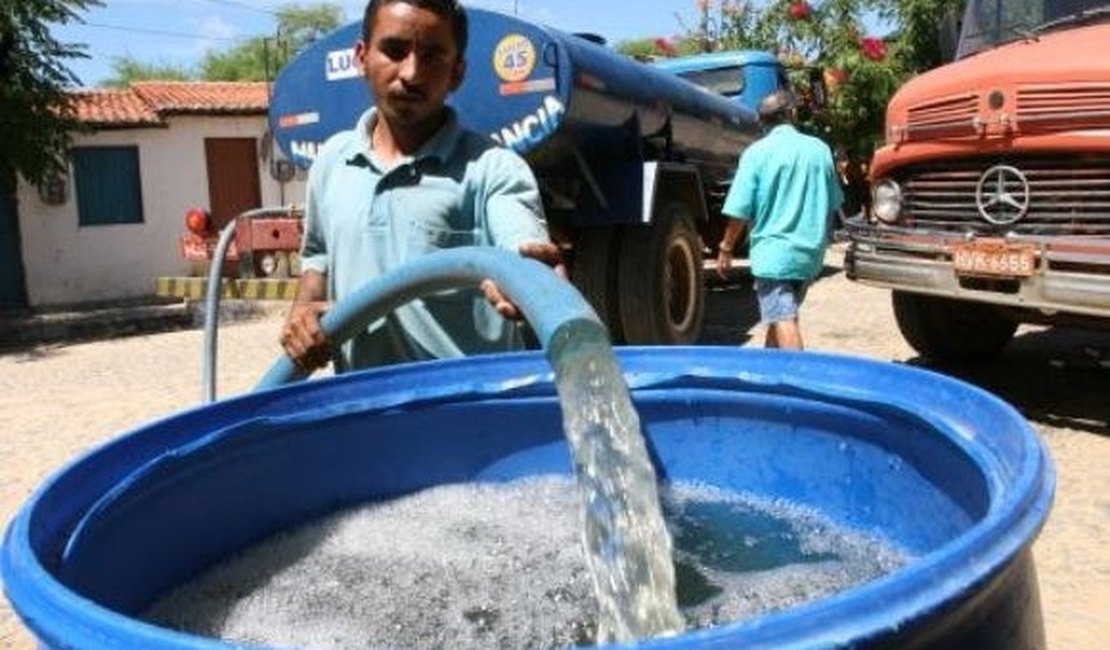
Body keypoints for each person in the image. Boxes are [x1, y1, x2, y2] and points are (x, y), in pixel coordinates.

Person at [280, 0, 563, 373]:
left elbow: (519, 238)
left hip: (465, 409)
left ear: (457, 72)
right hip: (362, 409)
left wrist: (526, 272)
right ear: (362, 57)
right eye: (394, 51)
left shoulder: (493, 169)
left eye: (432, 56)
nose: (411, 73)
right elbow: (318, 258)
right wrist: (302, 310)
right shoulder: (332, 161)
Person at [715, 89, 842, 350]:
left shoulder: (756, 153)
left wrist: (726, 248)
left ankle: (799, 383)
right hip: (809, 255)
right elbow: (832, 203)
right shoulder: (819, 150)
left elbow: (740, 208)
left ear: (763, 121)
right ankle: (767, 373)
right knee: (778, 317)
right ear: (792, 114)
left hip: (774, 256)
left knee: (784, 319)